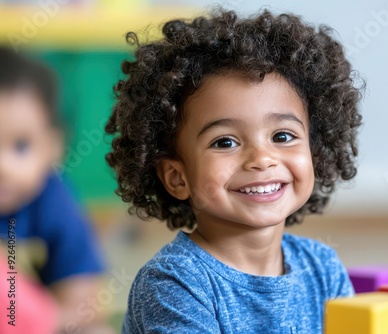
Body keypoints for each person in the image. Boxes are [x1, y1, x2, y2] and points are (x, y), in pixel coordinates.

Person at [106, 8, 363, 334]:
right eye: (225, 142)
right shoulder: (174, 283)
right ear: (177, 177)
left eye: (282, 136)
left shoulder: (322, 268)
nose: (261, 159)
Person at [0, 46, 112, 333]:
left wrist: (42, 320)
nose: (3, 166)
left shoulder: (53, 201)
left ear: (51, 147)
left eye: (20, 146)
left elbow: (84, 298)